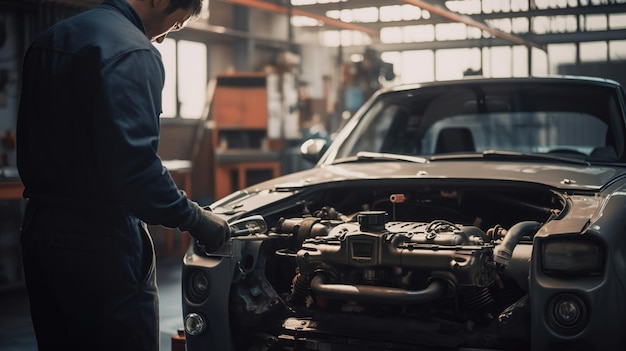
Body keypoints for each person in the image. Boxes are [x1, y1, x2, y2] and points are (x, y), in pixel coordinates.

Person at [16, 0, 228, 350]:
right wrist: (196, 219)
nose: (162, 39)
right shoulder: (133, 50)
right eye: (175, 25)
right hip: (101, 243)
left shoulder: (49, 39)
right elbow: (135, 170)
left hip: (42, 232)